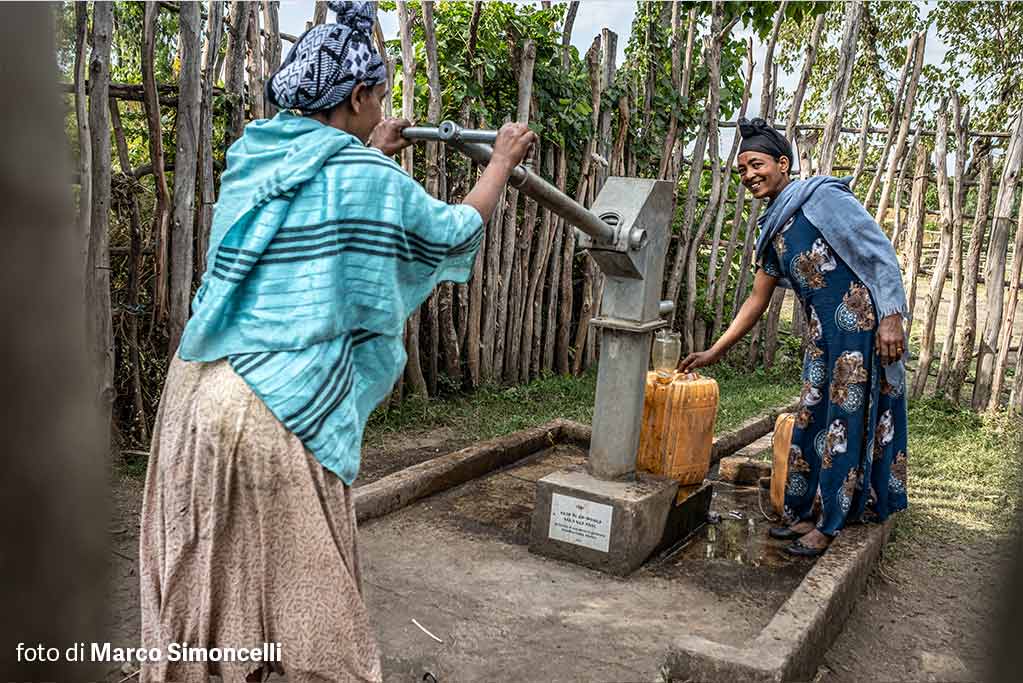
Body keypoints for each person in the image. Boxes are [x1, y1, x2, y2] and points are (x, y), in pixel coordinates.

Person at [138, 3, 536, 681]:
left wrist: (369, 146)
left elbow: (315, 202)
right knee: (312, 605)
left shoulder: (253, 159)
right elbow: (452, 230)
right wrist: (500, 160)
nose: (380, 107)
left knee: (212, 570)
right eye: (377, 96)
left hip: (198, 395)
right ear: (356, 96)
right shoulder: (366, 180)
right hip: (279, 412)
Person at [679, 117, 909, 557]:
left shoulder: (822, 199)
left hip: (860, 333)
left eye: (757, 164)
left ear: (783, 163)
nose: (749, 176)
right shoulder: (773, 229)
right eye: (742, 169)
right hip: (823, 341)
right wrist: (715, 350)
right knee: (811, 420)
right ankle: (807, 512)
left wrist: (891, 318)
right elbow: (756, 300)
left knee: (845, 424)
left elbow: (878, 252)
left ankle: (831, 525)